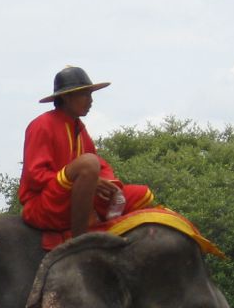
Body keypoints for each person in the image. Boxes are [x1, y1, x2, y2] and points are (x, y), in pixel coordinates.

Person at [18, 66, 155, 244]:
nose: (90, 101)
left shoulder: (80, 129)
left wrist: (107, 185)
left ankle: (102, 230)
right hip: (45, 204)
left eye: (91, 95)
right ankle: (80, 243)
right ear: (66, 97)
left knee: (141, 194)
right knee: (88, 163)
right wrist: (83, 180)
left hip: (76, 199)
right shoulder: (42, 124)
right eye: (85, 95)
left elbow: (101, 167)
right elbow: (35, 176)